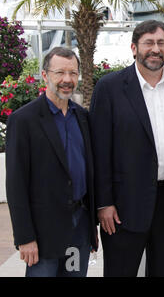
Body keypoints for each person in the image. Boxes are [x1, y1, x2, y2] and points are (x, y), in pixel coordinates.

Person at [89, 20, 164, 277]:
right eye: (148, 43)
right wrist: (104, 203)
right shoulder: (110, 87)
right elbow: (99, 149)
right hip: (123, 207)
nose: (155, 49)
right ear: (134, 48)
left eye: (161, 43)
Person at [5, 47, 98, 277]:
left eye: (73, 73)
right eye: (60, 73)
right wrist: (25, 237)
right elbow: (16, 184)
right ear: (45, 75)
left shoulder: (83, 117)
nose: (67, 80)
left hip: (80, 226)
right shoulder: (23, 120)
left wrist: (91, 228)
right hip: (43, 231)